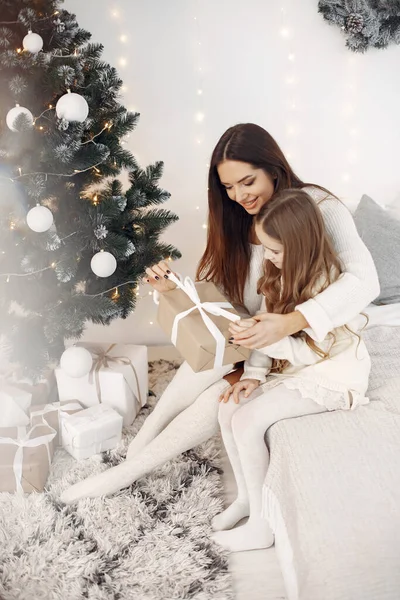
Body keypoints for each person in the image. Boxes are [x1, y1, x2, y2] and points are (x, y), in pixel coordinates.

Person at [60, 123, 379, 504]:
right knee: (215, 354)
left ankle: (128, 472)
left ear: (274, 170)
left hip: (303, 343)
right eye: (228, 187)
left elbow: (364, 282)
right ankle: (145, 438)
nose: (239, 195)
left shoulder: (317, 209)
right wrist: (175, 291)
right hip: (259, 336)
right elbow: (222, 297)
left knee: (221, 395)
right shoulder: (237, 218)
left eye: (247, 181)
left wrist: (293, 322)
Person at [211, 189, 371, 553]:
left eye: (275, 250)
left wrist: (265, 341)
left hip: (332, 372)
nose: (267, 257)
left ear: (300, 246)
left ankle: (262, 526)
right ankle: (248, 499)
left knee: (247, 421)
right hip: (298, 363)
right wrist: (253, 373)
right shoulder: (277, 271)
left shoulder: (327, 284)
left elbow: (310, 353)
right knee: (228, 407)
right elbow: (268, 323)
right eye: (265, 248)